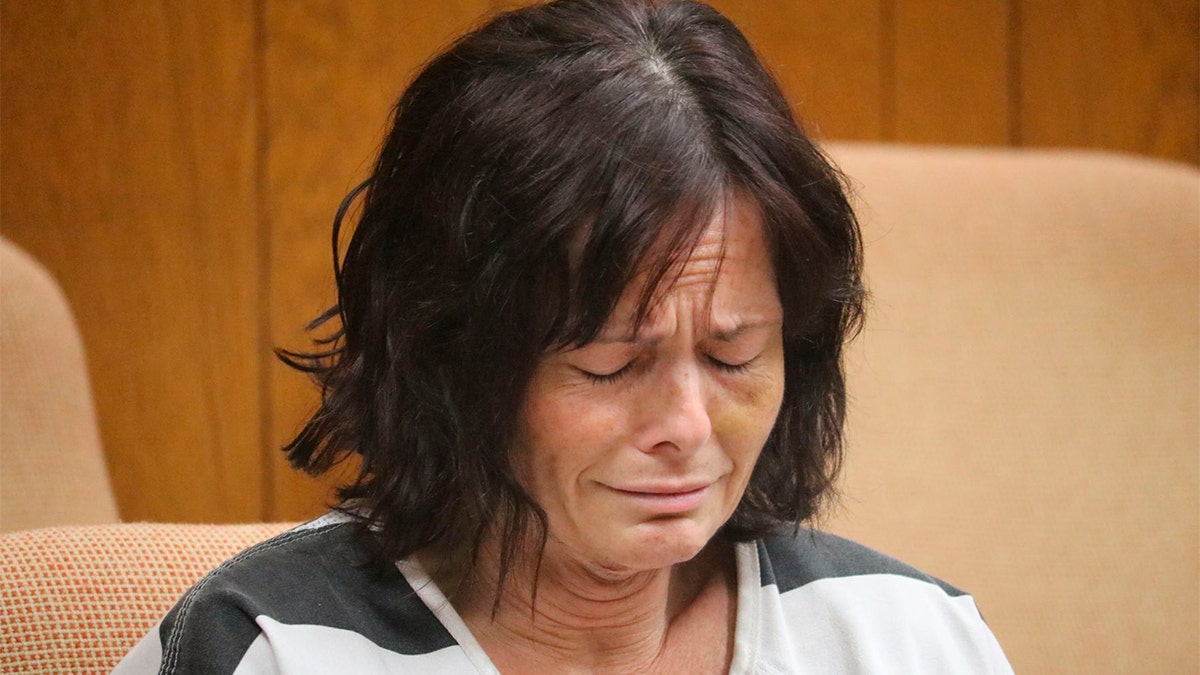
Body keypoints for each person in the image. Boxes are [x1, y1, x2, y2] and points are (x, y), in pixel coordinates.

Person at [115, 0, 1012, 672]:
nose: (690, 426)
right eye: (612, 363)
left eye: (734, 354)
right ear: (453, 360)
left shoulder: (906, 638)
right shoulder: (273, 651)